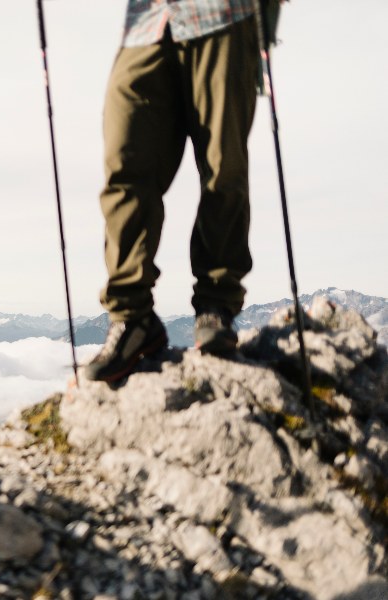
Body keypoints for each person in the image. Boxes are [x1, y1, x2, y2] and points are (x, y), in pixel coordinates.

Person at [85, 0, 266, 383]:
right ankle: (132, 318)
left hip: (223, 14)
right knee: (125, 160)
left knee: (223, 167)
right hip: (147, 22)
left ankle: (216, 306)